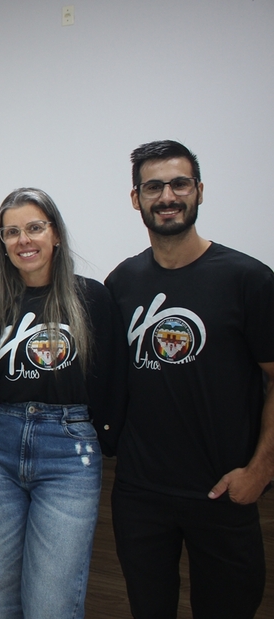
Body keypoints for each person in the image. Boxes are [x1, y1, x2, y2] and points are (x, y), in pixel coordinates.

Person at [106, 140, 274, 618]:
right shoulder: (122, 284)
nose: (167, 196)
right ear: (136, 198)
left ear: (199, 191)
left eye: (179, 183)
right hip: (140, 496)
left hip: (223, 493)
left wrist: (260, 472)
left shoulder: (248, 279)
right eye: (153, 186)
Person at [0, 187, 121, 619]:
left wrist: (106, 440)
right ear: (2, 242)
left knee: (51, 605)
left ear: (55, 234)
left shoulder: (92, 297)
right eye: (11, 232)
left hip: (68, 453)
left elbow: (112, 380)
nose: (24, 240)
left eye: (34, 227)